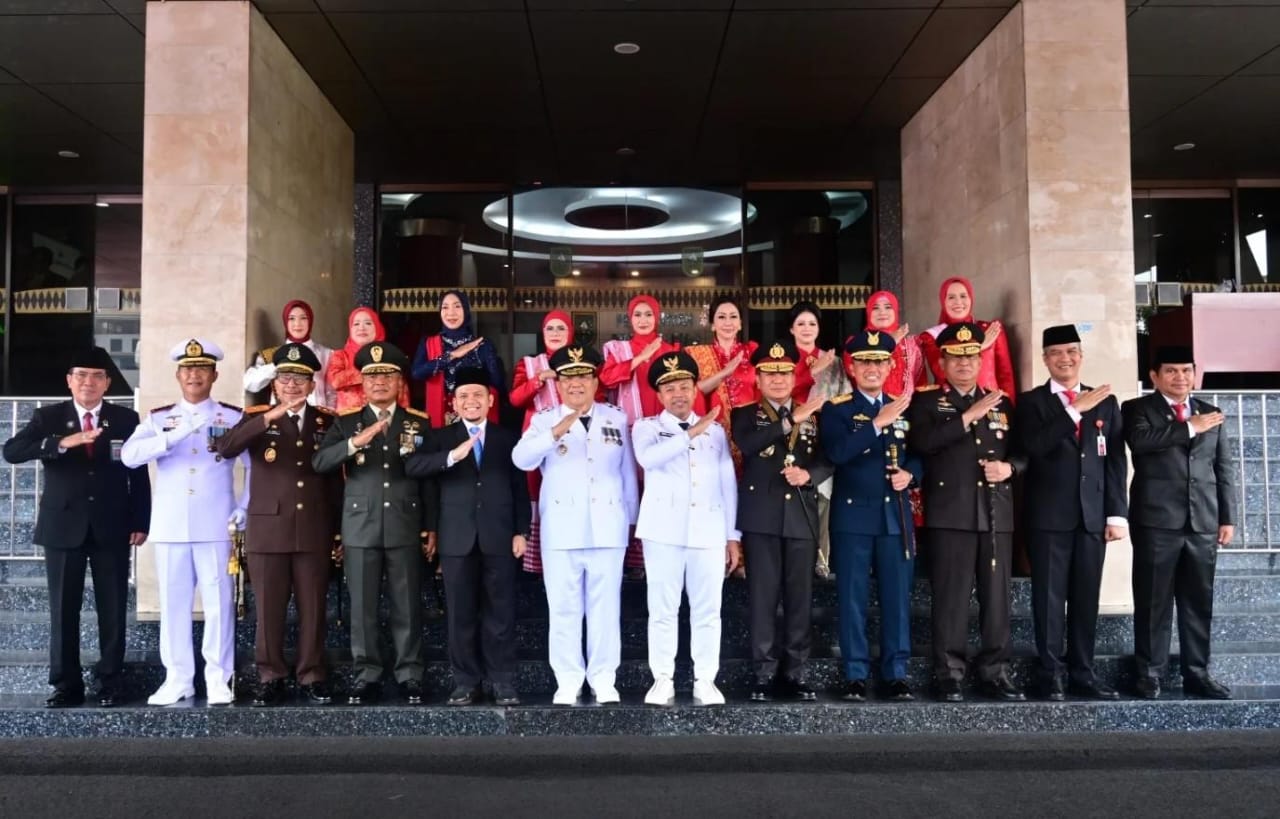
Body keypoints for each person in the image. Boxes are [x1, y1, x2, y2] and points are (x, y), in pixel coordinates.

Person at [2, 347, 150, 708]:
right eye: (81, 375)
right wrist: (59, 443)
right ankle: (66, 684)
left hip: (112, 525)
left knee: (113, 607)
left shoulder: (126, 418)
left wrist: (140, 520)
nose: (89, 382)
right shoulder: (49, 416)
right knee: (63, 609)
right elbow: (12, 450)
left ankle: (111, 680)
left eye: (96, 376)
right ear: (69, 381)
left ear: (108, 383)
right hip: (62, 524)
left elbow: (139, 474)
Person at [120, 338, 248, 707]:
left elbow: (253, 469)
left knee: (219, 603)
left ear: (215, 374)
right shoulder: (159, 418)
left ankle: (219, 677)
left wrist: (245, 505)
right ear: (178, 375)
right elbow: (129, 456)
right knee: (174, 604)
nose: (195, 375)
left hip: (216, 522)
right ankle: (177, 679)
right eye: (188, 369)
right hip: (172, 524)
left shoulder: (231, 416)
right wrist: (171, 436)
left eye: (202, 369)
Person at [216, 343, 342, 707]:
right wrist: (267, 419)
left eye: (300, 379)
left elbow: (335, 479)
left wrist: (337, 531)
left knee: (313, 607)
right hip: (268, 528)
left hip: (314, 527)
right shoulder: (256, 418)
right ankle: (270, 675)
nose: (292, 386)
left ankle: (312, 675)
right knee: (269, 607)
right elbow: (225, 448)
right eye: (285, 378)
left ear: (311, 383)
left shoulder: (326, 421)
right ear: (274, 383)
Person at [512, 344, 638, 705]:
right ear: (558, 384)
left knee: (605, 607)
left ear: (596, 381)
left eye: (583, 376)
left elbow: (627, 472)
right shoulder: (543, 419)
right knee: (564, 608)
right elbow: (520, 459)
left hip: (608, 526)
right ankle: (567, 679)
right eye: (568, 378)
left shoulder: (615, 417)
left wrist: (629, 520)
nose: (576, 384)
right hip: (562, 528)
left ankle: (603, 677)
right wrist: (553, 433)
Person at [908, 322, 1026, 703]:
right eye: (956, 358)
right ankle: (949, 673)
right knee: (951, 598)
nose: (964, 364)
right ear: (941, 362)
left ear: (980, 360)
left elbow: (1022, 451)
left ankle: (995, 671)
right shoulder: (927, 402)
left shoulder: (1002, 402)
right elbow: (924, 443)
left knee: (997, 598)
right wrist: (968, 415)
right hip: (950, 514)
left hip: (995, 513)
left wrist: (1010, 469)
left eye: (971, 357)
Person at [313, 341, 436, 705]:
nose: (380, 382)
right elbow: (321, 464)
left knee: (407, 603)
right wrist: (356, 441)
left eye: (387, 375)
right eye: (372, 376)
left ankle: (409, 672)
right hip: (360, 524)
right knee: (363, 605)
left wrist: (432, 525)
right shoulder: (347, 422)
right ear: (362, 384)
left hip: (404, 520)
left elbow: (428, 478)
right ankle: (366, 673)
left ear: (399, 381)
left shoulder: (418, 422)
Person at [1014, 324, 1128, 701]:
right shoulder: (1032, 402)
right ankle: (1051, 674)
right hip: (1048, 516)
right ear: (1045, 359)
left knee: (1085, 597)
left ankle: (1083, 671)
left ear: (1081, 355)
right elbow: (1035, 446)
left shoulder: (1105, 401)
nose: (1066, 358)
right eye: (1057, 353)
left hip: (1092, 517)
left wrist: (1116, 515)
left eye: (1072, 351)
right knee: (1048, 599)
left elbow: (1113, 461)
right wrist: (1072, 411)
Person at [405, 367, 530, 707]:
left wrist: (522, 530)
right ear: (454, 403)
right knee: (460, 614)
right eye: (463, 397)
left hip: (500, 535)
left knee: (500, 613)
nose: (470, 401)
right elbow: (413, 467)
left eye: (477, 395)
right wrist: (452, 456)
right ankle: (465, 682)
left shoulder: (508, 438)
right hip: (456, 537)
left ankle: (502, 681)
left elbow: (519, 486)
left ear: (490, 400)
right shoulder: (440, 437)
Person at [1123, 345, 1237, 700]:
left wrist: (1227, 517)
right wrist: (1188, 427)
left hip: (1202, 520)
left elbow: (1223, 468)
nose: (1180, 378)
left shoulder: (1211, 413)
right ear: (1155, 376)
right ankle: (1149, 674)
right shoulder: (1137, 409)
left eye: (1186, 371)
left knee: (1198, 602)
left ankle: (1197, 672)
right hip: (1157, 521)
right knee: (1153, 601)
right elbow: (1140, 443)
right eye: (1171, 371)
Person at [632, 350, 740, 707]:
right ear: (659, 396)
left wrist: (732, 536)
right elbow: (649, 459)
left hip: (708, 532)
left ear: (695, 388)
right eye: (669, 389)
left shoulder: (717, 433)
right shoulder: (647, 427)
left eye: (684, 386)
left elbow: (728, 485)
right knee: (662, 609)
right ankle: (662, 678)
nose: (678, 394)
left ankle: (705, 679)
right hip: (663, 532)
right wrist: (692, 432)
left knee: (708, 610)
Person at [819, 330, 921, 702]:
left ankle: (896, 673)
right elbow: (837, 452)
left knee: (896, 598)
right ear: (852, 367)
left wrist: (912, 474)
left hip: (894, 516)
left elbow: (920, 453)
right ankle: (856, 674)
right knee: (852, 597)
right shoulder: (837, 408)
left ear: (891, 365)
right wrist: (877, 424)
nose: (873, 368)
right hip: (853, 518)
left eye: (879, 361)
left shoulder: (904, 405)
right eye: (865, 362)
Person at [731, 341, 831, 702]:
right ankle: (763, 672)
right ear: (758, 379)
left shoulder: (815, 416)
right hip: (762, 518)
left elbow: (827, 457)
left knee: (799, 599)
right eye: (770, 373)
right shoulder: (745, 413)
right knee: (763, 598)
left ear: (794, 377)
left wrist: (810, 474)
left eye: (784, 372)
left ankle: (796, 672)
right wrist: (791, 419)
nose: (777, 379)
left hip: (801, 517)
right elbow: (750, 444)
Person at [600, 294, 680, 577]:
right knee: (629, 490)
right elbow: (607, 379)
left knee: (659, 489)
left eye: (648, 314)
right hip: (628, 431)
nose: (643, 320)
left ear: (657, 317)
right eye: (638, 315)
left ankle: (658, 554)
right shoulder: (618, 350)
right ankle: (632, 559)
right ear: (630, 319)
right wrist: (641, 358)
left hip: (663, 431)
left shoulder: (671, 350)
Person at [787, 300, 849, 580]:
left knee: (823, 497)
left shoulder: (834, 362)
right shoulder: (784, 359)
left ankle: (821, 560)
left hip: (824, 435)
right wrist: (811, 371)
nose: (806, 328)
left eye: (812, 323)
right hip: (789, 437)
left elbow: (844, 397)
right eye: (800, 323)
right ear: (791, 329)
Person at [508, 309, 573, 575]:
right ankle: (539, 562)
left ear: (570, 333)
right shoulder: (530, 364)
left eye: (561, 328)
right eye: (550, 329)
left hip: (574, 436)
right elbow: (514, 399)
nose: (555, 333)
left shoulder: (580, 362)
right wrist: (539, 380)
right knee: (537, 491)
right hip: (538, 439)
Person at [412, 290, 504, 429]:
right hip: (441, 418)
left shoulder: (482, 345)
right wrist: (451, 355)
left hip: (474, 415)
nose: (451, 313)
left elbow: (497, 384)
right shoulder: (429, 343)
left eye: (457, 306)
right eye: (445, 307)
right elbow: (417, 373)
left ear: (466, 310)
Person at [687, 295, 759, 470]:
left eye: (733, 317)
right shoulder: (696, 354)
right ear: (712, 324)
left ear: (741, 323)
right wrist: (724, 373)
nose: (728, 322)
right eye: (721, 317)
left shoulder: (752, 351)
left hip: (751, 431)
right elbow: (692, 392)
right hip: (713, 432)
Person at [918, 276, 1016, 401]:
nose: (958, 302)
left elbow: (1005, 376)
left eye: (963, 296)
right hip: (950, 406)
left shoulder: (991, 329)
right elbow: (941, 372)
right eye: (951, 297)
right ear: (943, 301)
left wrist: (1010, 411)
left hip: (991, 406)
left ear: (971, 298)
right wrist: (979, 348)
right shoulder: (931, 336)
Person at [242, 299, 335, 408]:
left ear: (310, 320)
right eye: (291, 318)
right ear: (285, 322)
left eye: (303, 318)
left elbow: (333, 393)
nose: (297, 324)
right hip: (280, 418)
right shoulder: (270, 355)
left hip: (317, 419)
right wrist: (278, 365)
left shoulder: (327, 354)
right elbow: (250, 384)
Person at [327, 307, 409, 412]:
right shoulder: (341, 356)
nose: (361, 328)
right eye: (356, 324)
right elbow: (335, 381)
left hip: (385, 420)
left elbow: (401, 391)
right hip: (349, 421)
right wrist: (370, 369)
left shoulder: (390, 356)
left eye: (368, 323)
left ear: (378, 327)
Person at [863, 290, 925, 400]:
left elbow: (920, 383)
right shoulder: (858, 343)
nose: (882, 312)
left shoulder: (912, 345)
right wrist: (889, 342)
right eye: (875, 308)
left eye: (888, 307)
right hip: (869, 409)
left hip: (907, 410)